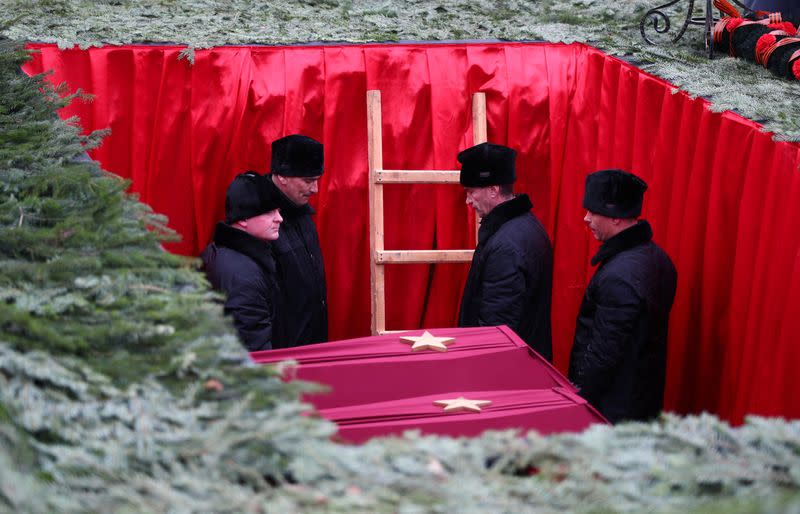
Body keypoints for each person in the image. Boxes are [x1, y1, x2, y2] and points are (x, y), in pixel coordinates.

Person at [568, 169, 677, 423]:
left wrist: (578, 400)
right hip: (641, 399)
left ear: (616, 217)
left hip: (612, 409)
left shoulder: (619, 276)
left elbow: (603, 354)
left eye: (592, 211)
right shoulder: (659, 259)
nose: (586, 218)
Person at [456, 142, 553, 361]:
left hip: (506, 370)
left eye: (471, 191)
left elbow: (496, 328)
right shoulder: (528, 226)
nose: (468, 200)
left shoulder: (506, 246)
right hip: (527, 361)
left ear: (493, 190)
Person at [201, 172, 283, 351]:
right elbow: (253, 349)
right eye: (269, 212)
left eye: (279, 211)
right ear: (244, 218)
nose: (279, 218)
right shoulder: (244, 276)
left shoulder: (217, 251)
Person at [264, 134, 328, 347]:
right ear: (282, 176)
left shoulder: (302, 213)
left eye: (317, 180)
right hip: (283, 354)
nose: (315, 189)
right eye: (308, 181)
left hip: (311, 344)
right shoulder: (259, 219)